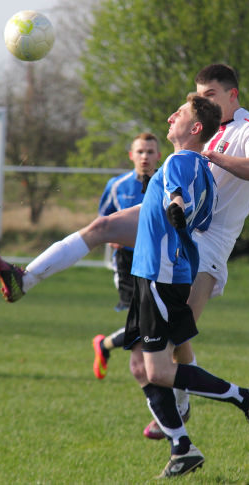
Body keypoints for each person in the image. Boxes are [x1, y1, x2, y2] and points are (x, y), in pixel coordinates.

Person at [0, 63, 249, 438]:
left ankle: (191, 408)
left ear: (232, 95)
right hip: (171, 219)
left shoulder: (248, 128)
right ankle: (25, 278)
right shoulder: (196, 134)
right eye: (199, 94)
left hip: (206, 240)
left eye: (210, 95)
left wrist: (212, 157)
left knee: (177, 340)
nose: (202, 100)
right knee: (101, 227)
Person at [124, 93, 249, 478]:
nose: (171, 116)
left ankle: (246, 398)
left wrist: (175, 207)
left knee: (157, 370)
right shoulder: (202, 169)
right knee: (142, 365)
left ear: (196, 128)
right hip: (159, 274)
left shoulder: (180, 160)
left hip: (159, 275)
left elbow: (178, 197)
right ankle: (181, 447)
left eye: (181, 113)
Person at [93, 132, 161, 379]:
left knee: (156, 321)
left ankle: (106, 344)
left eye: (150, 152)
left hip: (160, 262)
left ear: (158, 155)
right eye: (140, 152)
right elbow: (102, 221)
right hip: (127, 263)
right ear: (131, 155)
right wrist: (112, 237)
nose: (145, 157)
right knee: (146, 322)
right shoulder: (118, 185)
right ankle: (149, 372)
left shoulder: (165, 184)